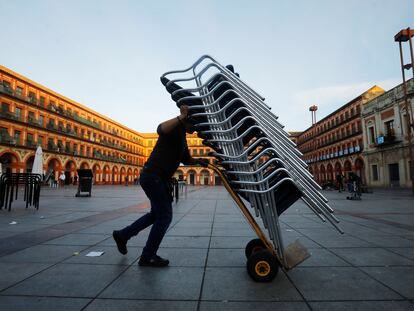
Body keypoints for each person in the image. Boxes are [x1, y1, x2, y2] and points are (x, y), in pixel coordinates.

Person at [112, 105, 208, 267]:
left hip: (158, 178)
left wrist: (199, 161)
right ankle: (148, 255)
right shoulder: (174, 128)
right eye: (194, 124)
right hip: (153, 176)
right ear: (187, 120)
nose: (195, 129)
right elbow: (160, 129)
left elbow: (186, 160)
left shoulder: (182, 138)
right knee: (164, 216)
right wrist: (181, 117)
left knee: (156, 214)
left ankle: (123, 235)